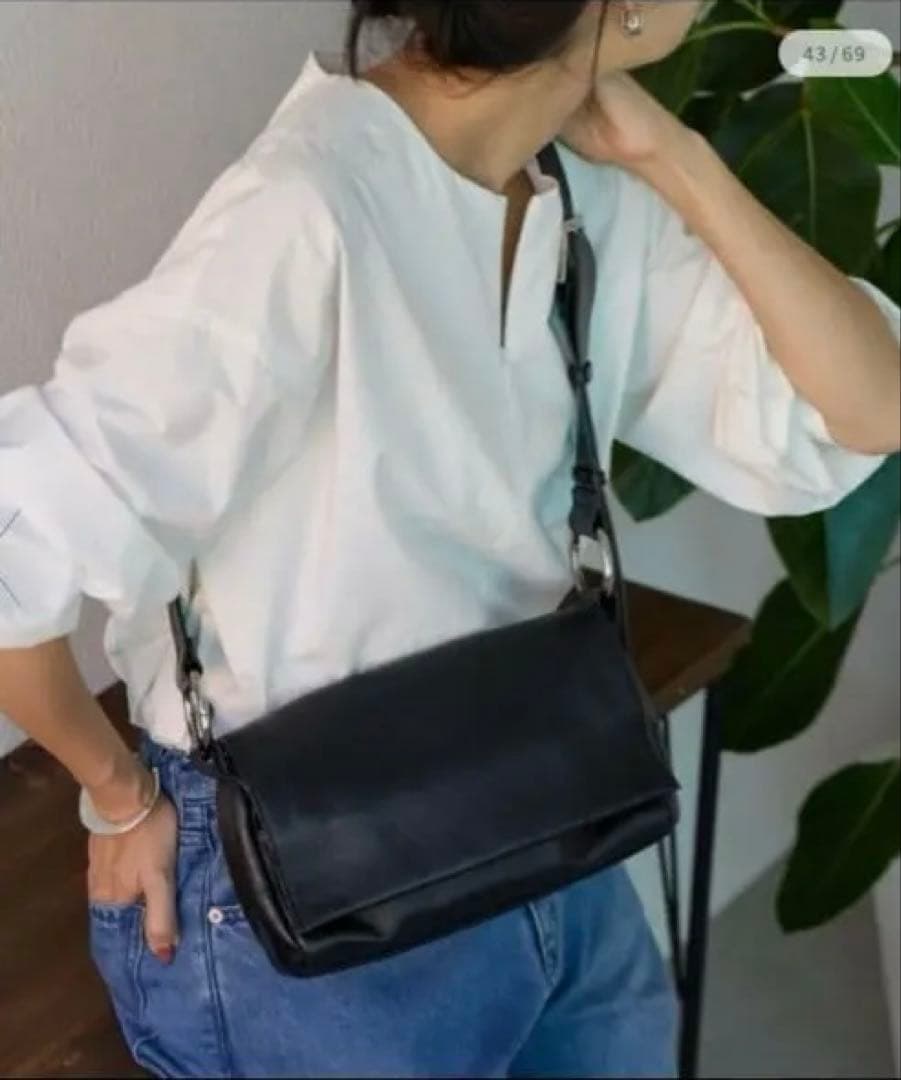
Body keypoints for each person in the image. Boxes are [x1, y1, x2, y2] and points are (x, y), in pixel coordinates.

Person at [1, 1, 899, 1076]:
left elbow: (867, 407)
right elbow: (16, 550)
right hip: (307, 888)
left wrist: (678, 157)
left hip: (544, 807)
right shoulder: (306, 210)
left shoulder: (577, 190)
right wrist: (118, 795)